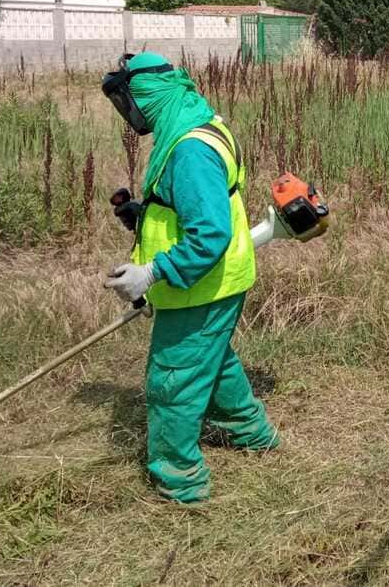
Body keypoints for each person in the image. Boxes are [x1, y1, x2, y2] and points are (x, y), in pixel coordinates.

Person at [101, 52, 278, 503]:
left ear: (149, 97)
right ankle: (250, 432)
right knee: (213, 358)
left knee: (173, 378)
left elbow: (210, 233)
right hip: (219, 281)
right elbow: (195, 209)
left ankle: (179, 479)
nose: (129, 113)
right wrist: (145, 215)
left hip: (201, 285)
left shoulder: (190, 150)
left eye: (130, 101)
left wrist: (152, 272)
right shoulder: (196, 124)